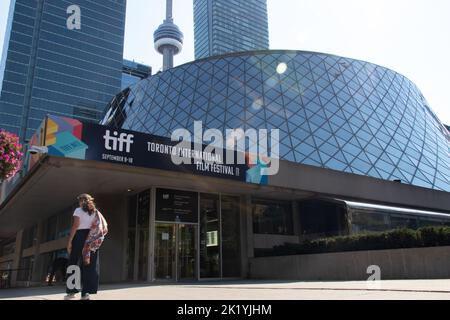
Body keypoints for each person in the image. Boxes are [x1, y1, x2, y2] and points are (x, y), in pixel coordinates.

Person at [64, 194, 108, 300]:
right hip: (91, 238)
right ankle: (85, 293)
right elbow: (104, 226)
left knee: (74, 262)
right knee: (90, 264)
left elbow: (75, 225)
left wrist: (69, 241)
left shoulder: (78, 210)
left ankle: (71, 292)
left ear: (80, 201)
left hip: (79, 237)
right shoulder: (96, 211)